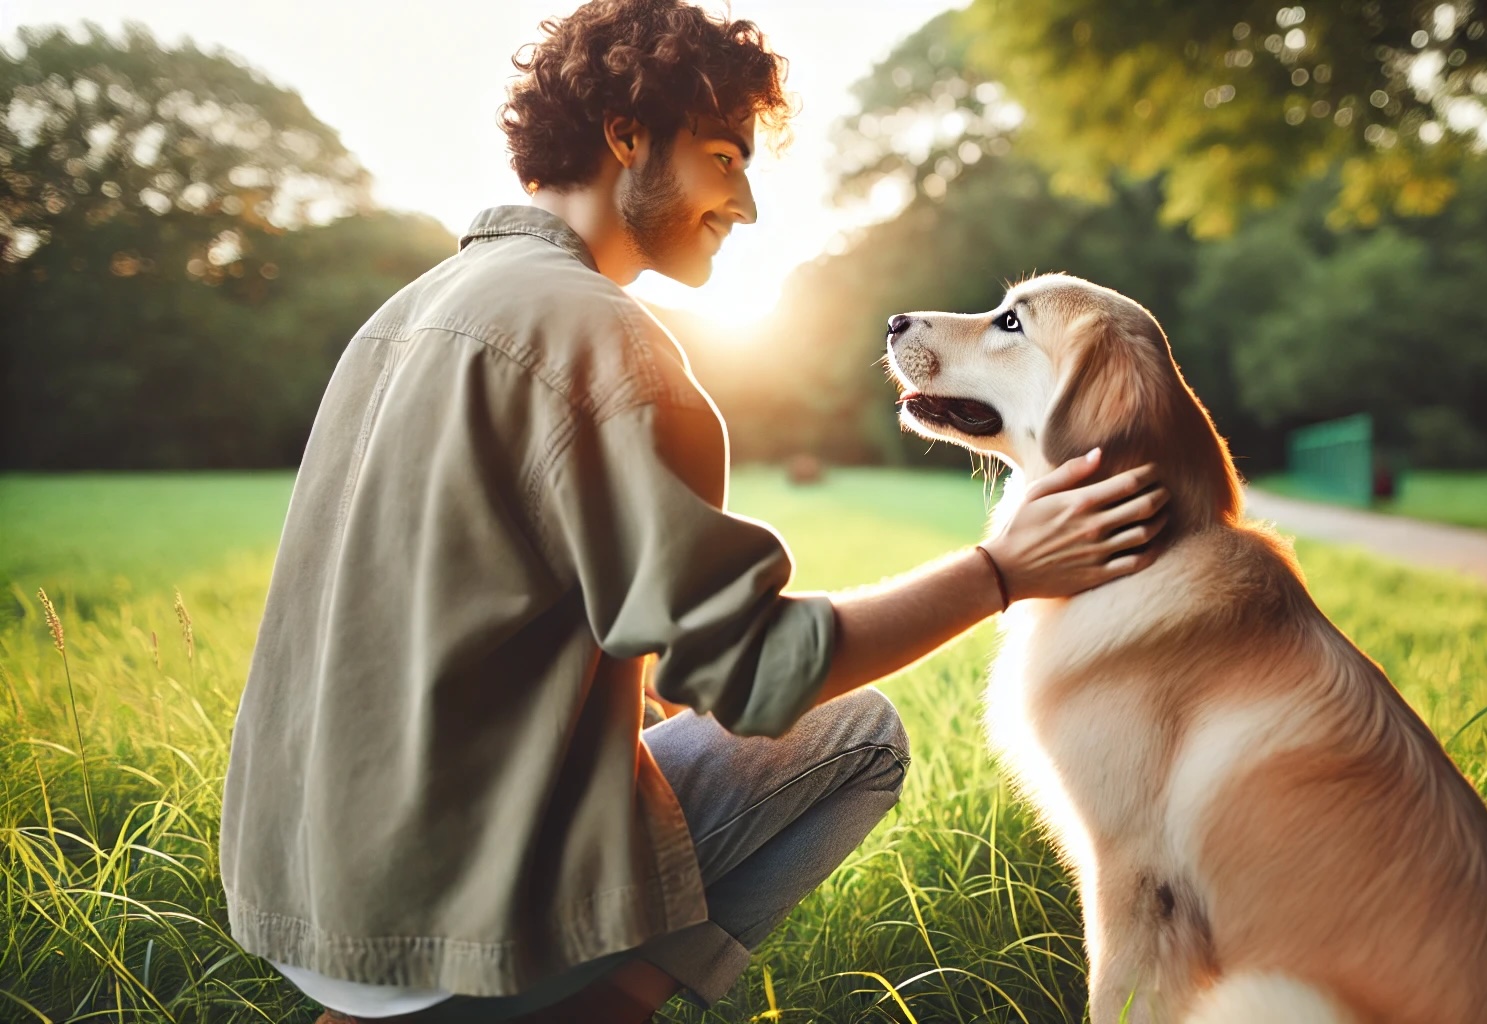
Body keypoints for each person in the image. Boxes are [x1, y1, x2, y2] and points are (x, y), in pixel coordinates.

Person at [216, 2, 1167, 1022]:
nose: (745, 203)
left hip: (305, 890)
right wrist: (1001, 572)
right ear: (627, 138)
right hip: (450, 913)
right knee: (859, 736)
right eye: (724, 157)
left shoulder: (403, 316)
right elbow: (752, 674)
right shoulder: (605, 341)